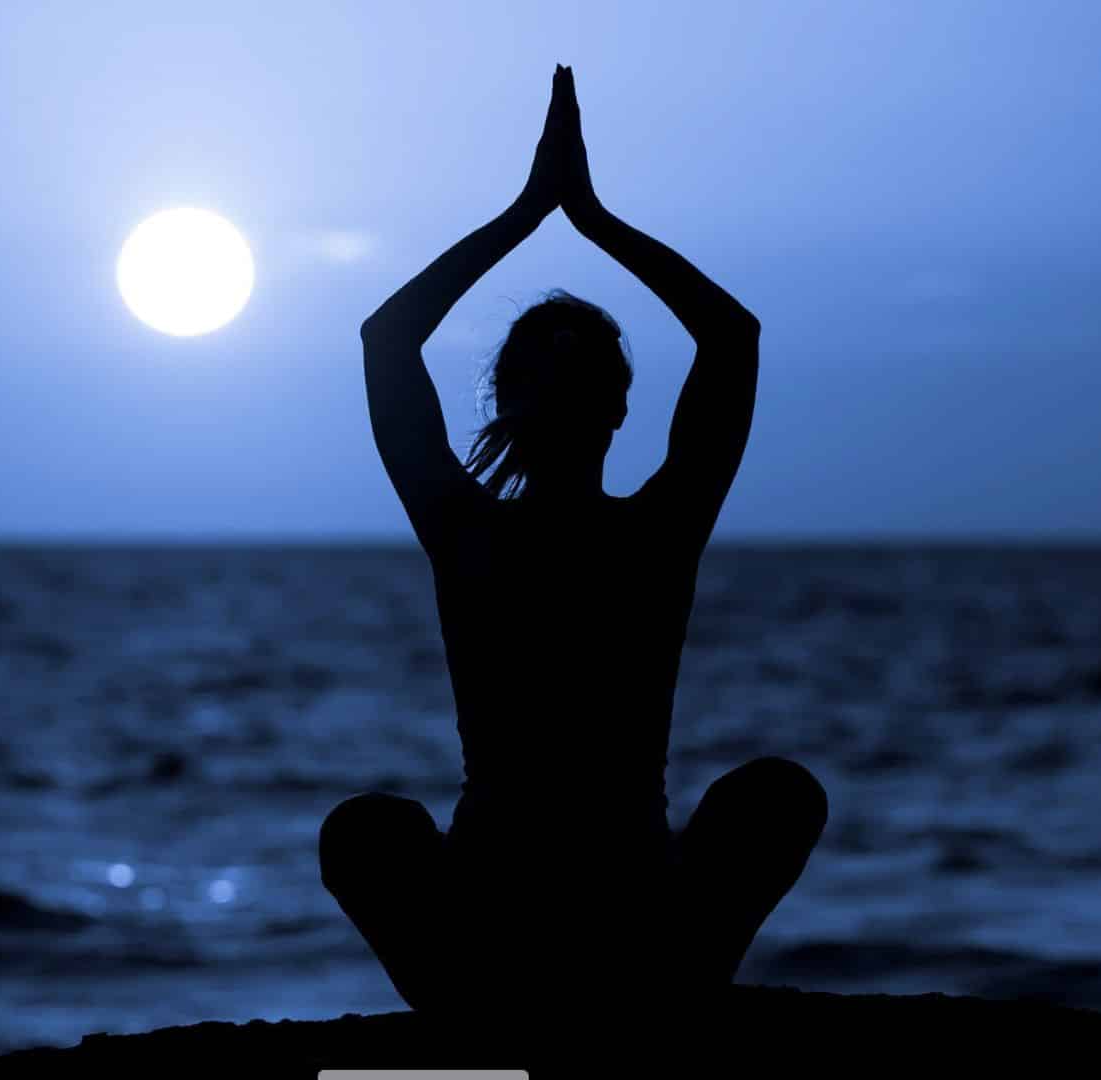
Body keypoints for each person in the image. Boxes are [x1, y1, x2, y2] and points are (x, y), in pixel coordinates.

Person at [320, 66, 827, 1022]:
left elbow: (734, 341)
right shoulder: (480, 528)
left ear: (616, 409)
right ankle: (525, 1015)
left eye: (573, 377)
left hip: (631, 905)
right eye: (543, 378)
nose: (556, 397)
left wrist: (569, 214)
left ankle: (636, 1002)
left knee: (779, 794)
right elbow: (385, 340)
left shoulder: (641, 530)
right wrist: (549, 213)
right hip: (500, 909)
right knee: (365, 830)